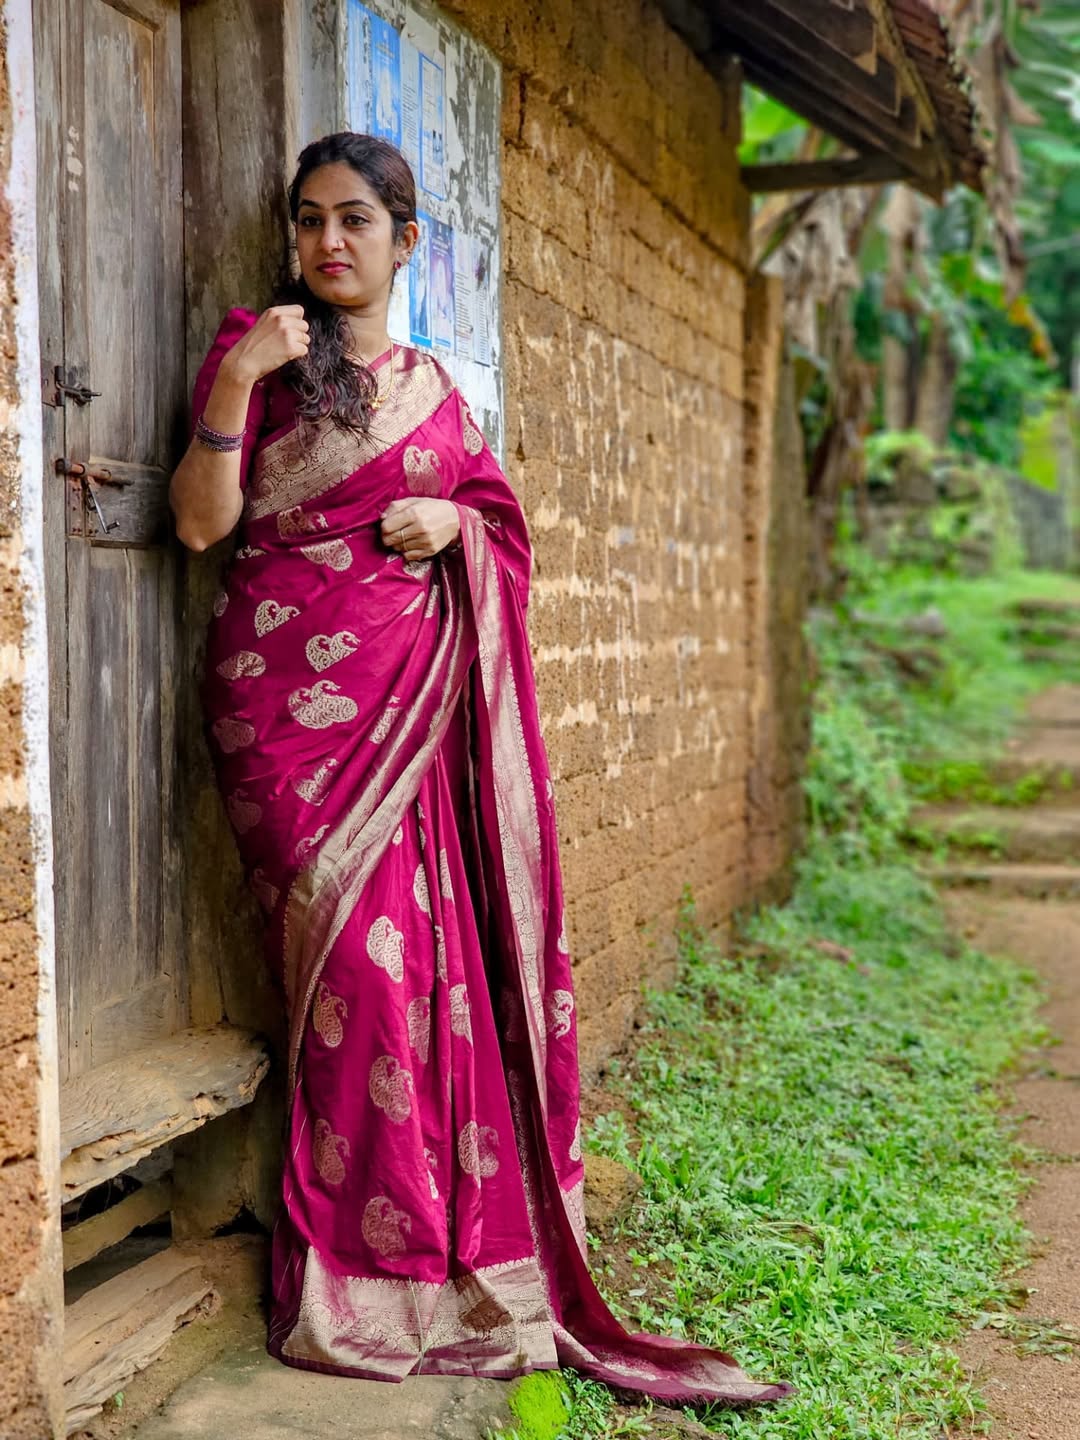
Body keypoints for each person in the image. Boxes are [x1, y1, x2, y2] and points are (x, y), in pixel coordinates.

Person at [169, 131, 790, 1404]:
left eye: (354, 220)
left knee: (416, 977)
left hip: (413, 712)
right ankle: (358, 1281)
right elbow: (197, 522)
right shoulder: (262, 357)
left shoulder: (440, 394)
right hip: (285, 718)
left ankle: (438, 1261)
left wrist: (457, 519)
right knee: (354, 973)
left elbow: (501, 533)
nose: (327, 243)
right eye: (307, 221)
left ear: (408, 241)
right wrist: (235, 380)